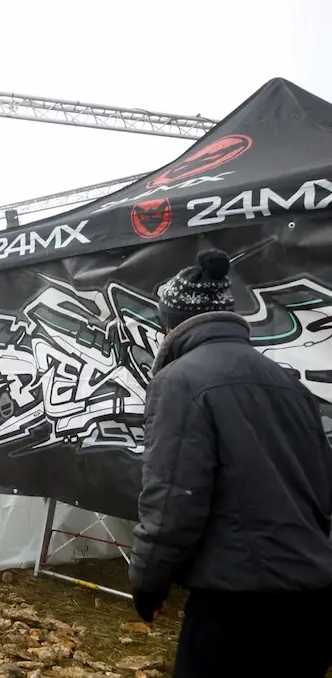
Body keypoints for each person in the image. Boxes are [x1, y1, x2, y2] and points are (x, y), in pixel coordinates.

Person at [129, 249, 332, 677]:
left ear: (172, 322)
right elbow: (322, 490)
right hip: (312, 601)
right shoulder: (286, 382)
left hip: (237, 609)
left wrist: (149, 584)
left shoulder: (179, 381)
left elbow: (173, 502)